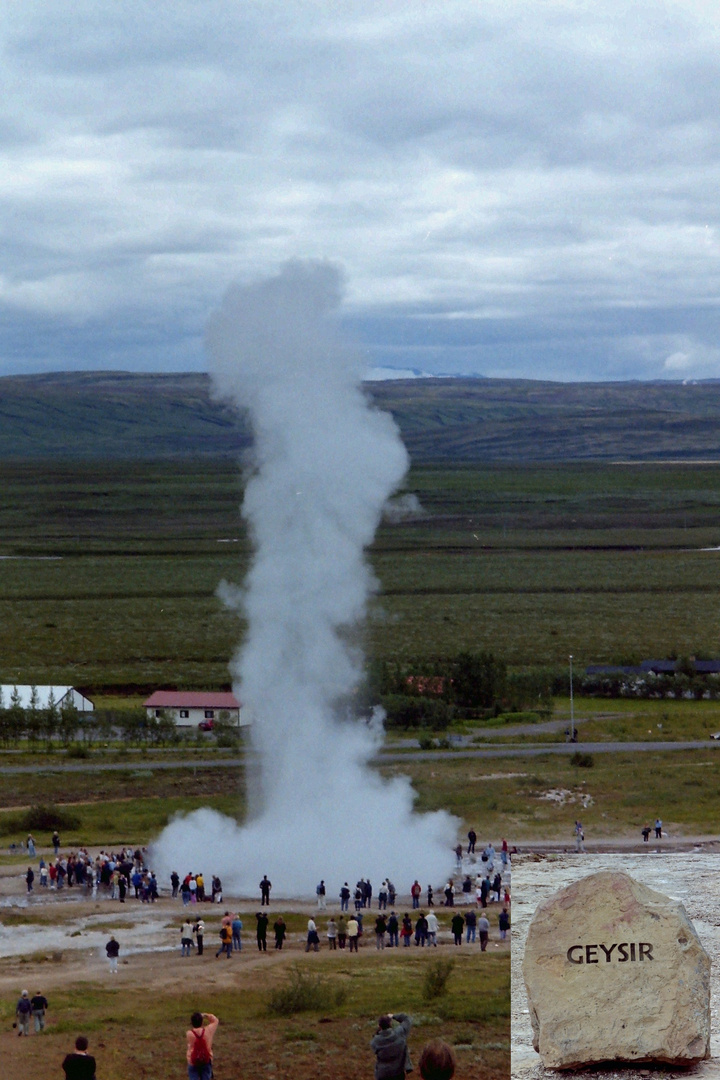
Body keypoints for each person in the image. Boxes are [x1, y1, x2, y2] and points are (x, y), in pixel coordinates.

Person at [371, 1012, 412, 1080]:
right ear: (390, 1023)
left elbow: (374, 1048)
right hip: (398, 1073)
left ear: (380, 1026)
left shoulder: (376, 1040)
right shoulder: (399, 1033)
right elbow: (406, 1019)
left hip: (382, 1074)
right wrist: (393, 1016)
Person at [186, 1011, 219, 1080]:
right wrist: (205, 1015)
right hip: (206, 1059)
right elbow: (215, 1020)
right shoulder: (208, 1031)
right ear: (202, 1022)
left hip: (193, 1060)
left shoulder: (189, 1034)